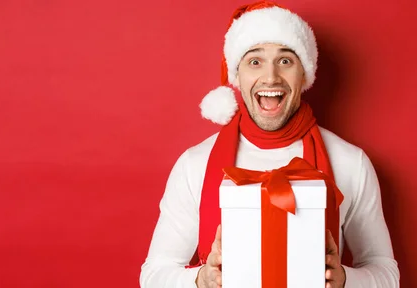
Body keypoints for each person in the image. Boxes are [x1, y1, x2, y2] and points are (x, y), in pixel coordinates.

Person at [139, 1, 400, 288]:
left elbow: (386, 273)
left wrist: (345, 280)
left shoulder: (350, 162)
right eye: (255, 61)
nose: (271, 76)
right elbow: (154, 276)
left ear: (304, 75)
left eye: (285, 60)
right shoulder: (194, 164)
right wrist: (202, 280)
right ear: (237, 76)